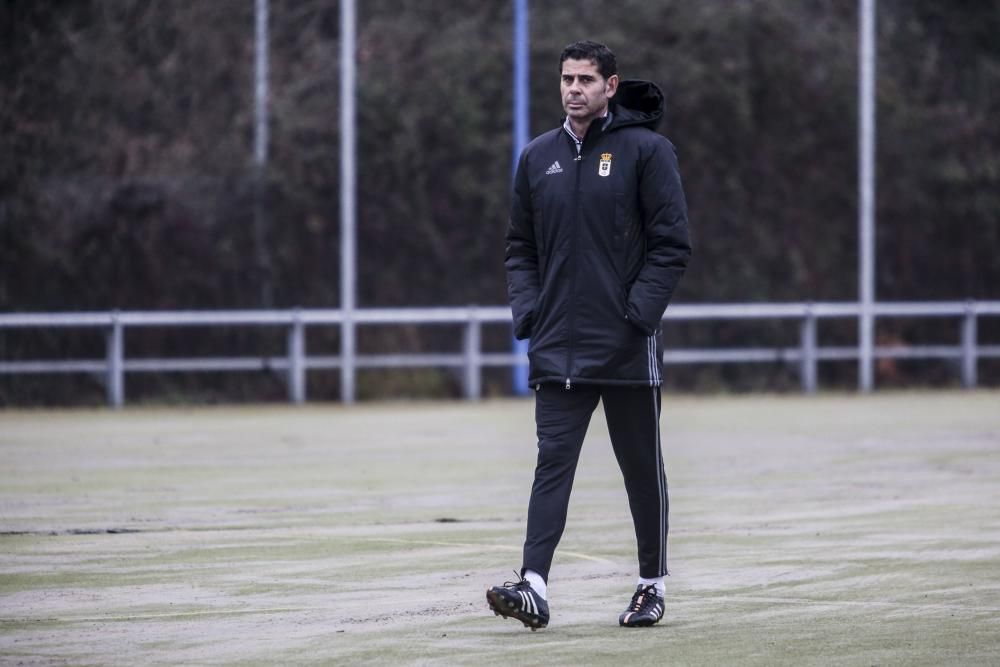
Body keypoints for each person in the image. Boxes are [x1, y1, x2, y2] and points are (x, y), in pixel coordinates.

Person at [486, 40, 691, 629]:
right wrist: (529, 313)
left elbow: (672, 246)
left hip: (627, 346)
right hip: (557, 345)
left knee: (640, 469)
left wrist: (637, 317)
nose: (574, 88)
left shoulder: (648, 151)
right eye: (566, 79)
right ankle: (533, 586)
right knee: (552, 464)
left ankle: (650, 586)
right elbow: (519, 249)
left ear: (610, 86)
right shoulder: (536, 157)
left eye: (585, 79)